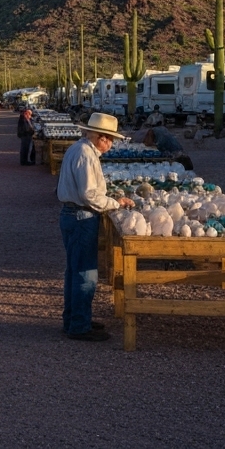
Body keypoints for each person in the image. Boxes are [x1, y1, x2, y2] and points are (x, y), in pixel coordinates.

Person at [56, 112, 134, 342]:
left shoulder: (79, 150)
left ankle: (75, 318)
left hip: (72, 214)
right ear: (94, 135)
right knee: (85, 273)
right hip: (82, 216)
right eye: (105, 137)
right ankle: (79, 325)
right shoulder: (86, 154)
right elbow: (89, 194)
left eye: (111, 139)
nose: (108, 143)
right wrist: (114, 203)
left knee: (74, 270)